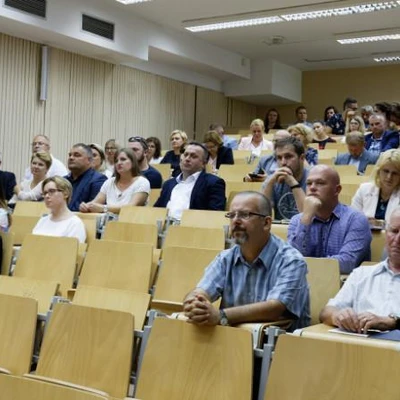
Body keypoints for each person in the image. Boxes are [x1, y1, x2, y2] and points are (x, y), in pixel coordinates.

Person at [183, 191, 310, 330]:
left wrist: (221, 316)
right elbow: (201, 291)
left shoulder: (291, 261)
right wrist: (193, 303)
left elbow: (275, 308)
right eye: (232, 215)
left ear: (266, 223)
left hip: (279, 346)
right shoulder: (225, 258)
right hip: (232, 343)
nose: (235, 221)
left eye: (245, 215)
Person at [319, 208, 400, 333]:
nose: (397, 240)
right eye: (394, 231)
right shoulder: (361, 274)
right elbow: (326, 312)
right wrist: (339, 317)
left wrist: (392, 322)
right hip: (359, 347)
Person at [288, 165, 372, 274]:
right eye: (309, 183)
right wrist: (306, 219)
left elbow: (347, 263)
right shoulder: (297, 220)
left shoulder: (356, 220)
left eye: (320, 183)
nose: (312, 187)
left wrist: (304, 264)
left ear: (337, 190)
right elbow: (290, 260)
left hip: (343, 287)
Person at [154, 142, 226, 218]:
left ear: (203, 163)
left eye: (193, 156)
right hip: (165, 226)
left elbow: (215, 215)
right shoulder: (168, 184)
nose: (187, 159)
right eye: (185, 155)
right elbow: (157, 210)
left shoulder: (213, 183)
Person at [79, 148, 150, 214]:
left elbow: (131, 208)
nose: (119, 163)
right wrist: (86, 206)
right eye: (116, 161)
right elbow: (95, 203)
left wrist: (104, 208)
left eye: (123, 159)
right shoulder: (109, 182)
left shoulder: (142, 182)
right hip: (107, 224)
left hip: (131, 224)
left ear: (133, 162)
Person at [262, 137, 308, 221]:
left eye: (288, 157)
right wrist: (270, 183)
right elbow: (261, 214)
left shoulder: (313, 179)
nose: (283, 162)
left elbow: (307, 216)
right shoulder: (272, 180)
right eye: (279, 158)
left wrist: (293, 183)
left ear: (302, 158)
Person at [351, 149, 400, 226]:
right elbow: (353, 219)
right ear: (378, 171)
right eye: (386, 171)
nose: (389, 177)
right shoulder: (364, 189)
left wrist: (380, 224)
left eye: (395, 173)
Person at [32, 176, 86, 243]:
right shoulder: (42, 221)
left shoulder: (75, 223)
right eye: (45, 193)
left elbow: (71, 251)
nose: (46, 196)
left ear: (65, 193)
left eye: (51, 191)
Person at [65, 143, 107, 212]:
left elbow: (93, 210)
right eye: (70, 155)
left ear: (89, 160)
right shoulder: (63, 180)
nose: (71, 158)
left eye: (77, 155)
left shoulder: (98, 179)